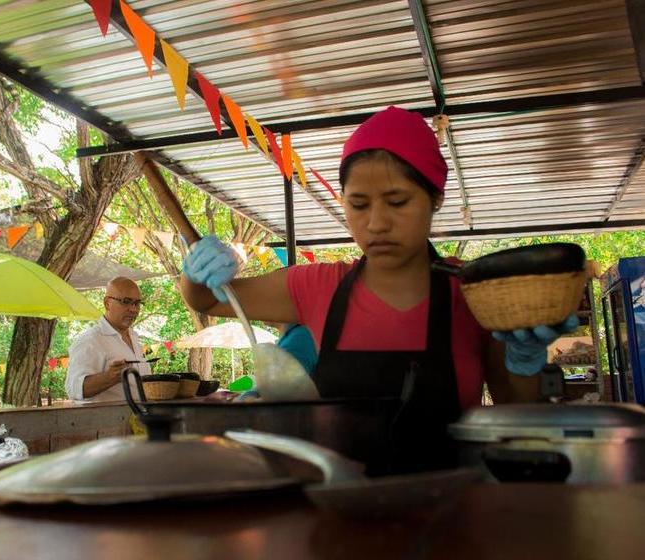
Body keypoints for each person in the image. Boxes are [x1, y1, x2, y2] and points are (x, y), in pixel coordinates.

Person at [180, 106, 576, 473]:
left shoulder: (473, 290)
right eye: (359, 204)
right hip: (340, 513)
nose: (376, 223)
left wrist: (524, 361)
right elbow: (207, 299)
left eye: (397, 201)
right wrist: (197, 271)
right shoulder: (316, 285)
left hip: (452, 512)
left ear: (434, 199)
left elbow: (515, 406)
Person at [66, 277, 151, 403]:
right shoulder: (90, 340)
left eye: (137, 303)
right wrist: (110, 377)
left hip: (139, 419)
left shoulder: (134, 337)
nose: (133, 309)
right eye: (126, 301)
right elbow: (74, 389)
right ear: (107, 303)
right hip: (106, 421)